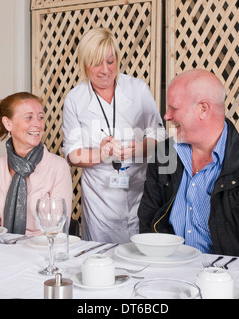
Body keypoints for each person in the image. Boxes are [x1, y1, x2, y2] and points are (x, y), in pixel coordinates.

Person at [137, 69, 239, 260]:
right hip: (169, 272)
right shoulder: (164, 154)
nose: (167, 116)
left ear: (203, 109)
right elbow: (148, 223)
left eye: (174, 108)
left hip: (230, 280)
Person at [62, 27, 166, 243]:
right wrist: (100, 154)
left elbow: (159, 134)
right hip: (100, 200)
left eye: (110, 61)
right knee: (103, 260)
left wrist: (137, 148)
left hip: (141, 191)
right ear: (84, 64)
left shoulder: (137, 88)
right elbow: (72, 154)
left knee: (141, 256)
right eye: (96, 63)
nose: (105, 70)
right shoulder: (75, 99)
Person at [0, 92, 72, 235]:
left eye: (40, 117)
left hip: (42, 251)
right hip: (3, 250)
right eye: (29, 118)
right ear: (8, 123)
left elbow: (58, 229)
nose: (37, 124)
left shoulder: (57, 167)